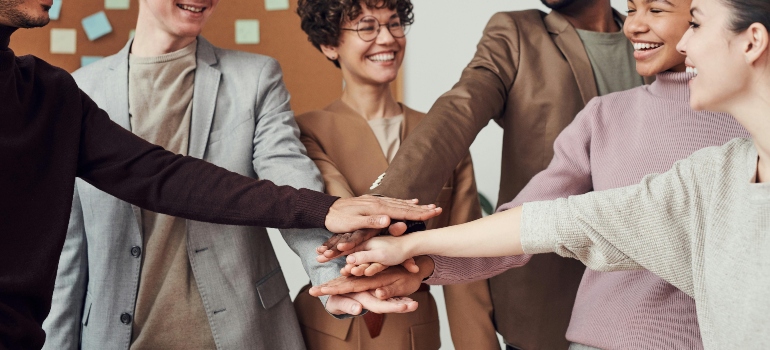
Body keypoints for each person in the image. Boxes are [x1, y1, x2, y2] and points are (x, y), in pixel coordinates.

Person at [314, 0, 770, 348]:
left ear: (749, 40)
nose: (638, 23)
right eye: (633, 9)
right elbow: (547, 214)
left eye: (687, 19)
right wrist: (407, 241)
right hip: (579, 321)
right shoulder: (679, 158)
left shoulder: (724, 154)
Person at [0, 0, 441, 348]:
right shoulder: (81, 87)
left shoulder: (48, 93)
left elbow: (171, 177)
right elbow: (67, 251)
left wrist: (331, 269)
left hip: (240, 334)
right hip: (115, 336)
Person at [292, 0, 482, 349]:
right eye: (367, 27)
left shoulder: (440, 132)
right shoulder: (305, 131)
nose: (387, 39)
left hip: (414, 328)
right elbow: (343, 220)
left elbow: (469, 254)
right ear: (329, 44)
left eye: (394, 24)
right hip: (326, 331)